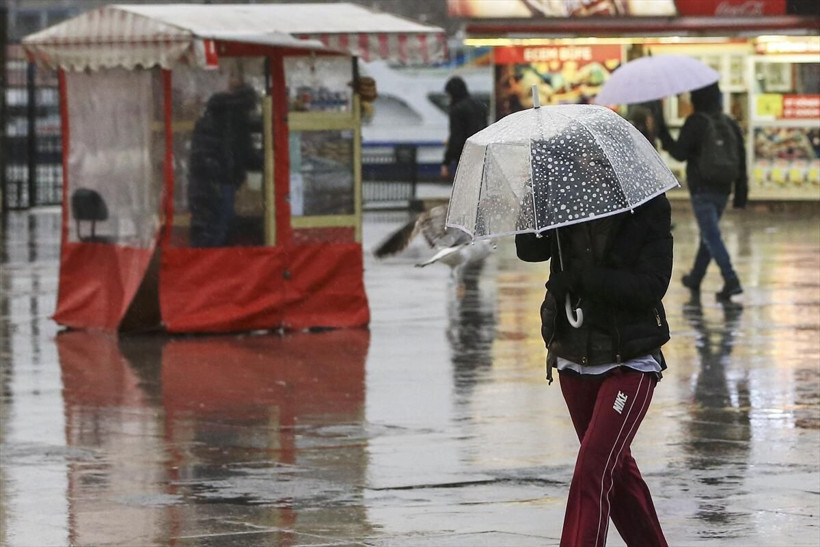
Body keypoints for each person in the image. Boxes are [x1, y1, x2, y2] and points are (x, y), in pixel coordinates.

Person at [515, 193, 672, 547]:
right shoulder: (563, 197)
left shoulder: (648, 206)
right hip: (573, 357)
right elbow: (527, 249)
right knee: (618, 473)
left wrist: (583, 280)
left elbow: (651, 286)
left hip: (629, 359)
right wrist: (536, 192)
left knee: (593, 469)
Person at [658, 82, 747, 299]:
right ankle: (696, 277)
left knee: (711, 235)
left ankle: (731, 279)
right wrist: (742, 190)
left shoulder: (696, 122)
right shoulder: (729, 122)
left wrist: (663, 132)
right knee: (710, 233)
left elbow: (679, 153)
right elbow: (741, 156)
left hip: (702, 188)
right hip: (724, 189)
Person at [188, 81, 263, 247]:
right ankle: (209, 267)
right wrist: (268, 160)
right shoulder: (236, 120)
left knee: (207, 226)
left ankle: (200, 263)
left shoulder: (209, 118)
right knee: (219, 227)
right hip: (222, 182)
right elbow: (246, 154)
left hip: (201, 181)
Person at [441, 76, 488, 181]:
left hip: (465, 155)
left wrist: (446, 162)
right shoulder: (479, 105)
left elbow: (456, 137)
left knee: (466, 186)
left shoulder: (457, 109)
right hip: (482, 153)